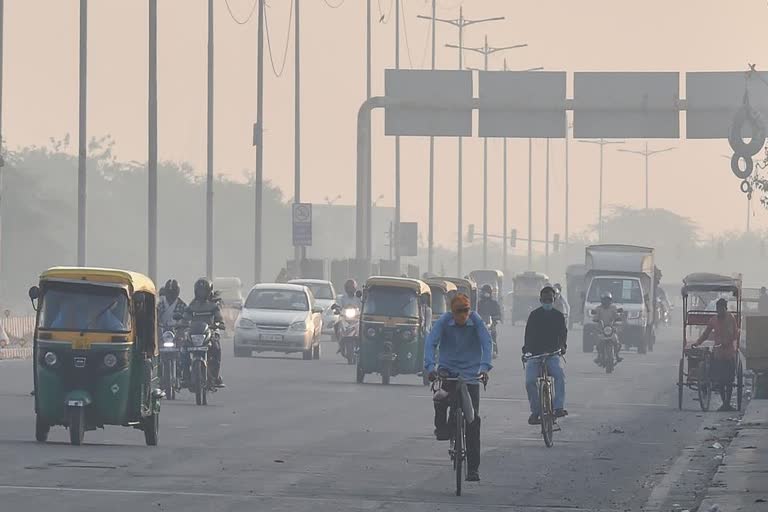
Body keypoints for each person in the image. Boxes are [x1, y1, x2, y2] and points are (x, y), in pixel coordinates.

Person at [425, 293, 492, 483]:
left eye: (466, 311)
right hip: (449, 371)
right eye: (458, 311)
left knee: (473, 421)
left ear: (469, 310)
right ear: (452, 312)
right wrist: (430, 367)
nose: (463, 315)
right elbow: (431, 343)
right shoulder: (444, 322)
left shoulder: (476, 321)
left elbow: (487, 343)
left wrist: (485, 367)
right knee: (440, 398)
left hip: (471, 375)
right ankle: (442, 429)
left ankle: (473, 469)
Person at [522, 286, 568, 425]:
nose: (547, 302)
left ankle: (558, 407)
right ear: (540, 300)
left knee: (559, 375)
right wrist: (526, 351)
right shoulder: (534, 315)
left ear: (554, 300)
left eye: (550, 300)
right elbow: (528, 335)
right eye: (545, 300)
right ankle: (535, 411)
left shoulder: (559, 316)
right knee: (530, 381)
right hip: (535, 355)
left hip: (552, 355)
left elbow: (563, 335)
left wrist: (562, 347)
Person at [691, 298, 739, 411]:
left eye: (721, 309)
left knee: (729, 381)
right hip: (718, 354)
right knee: (721, 381)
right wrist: (697, 343)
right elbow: (706, 334)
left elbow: (735, 334)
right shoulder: (713, 320)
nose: (719, 311)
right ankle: (724, 404)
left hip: (729, 353)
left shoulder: (731, 318)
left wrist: (727, 342)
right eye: (718, 309)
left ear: (725, 309)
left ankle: (727, 404)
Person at [184, 278, 226, 388]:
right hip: (194, 335)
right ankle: (185, 376)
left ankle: (215, 376)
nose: (201, 293)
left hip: (209, 334)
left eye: (203, 291)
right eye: (199, 291)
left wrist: (219, 324)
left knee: (216, 348)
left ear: (208, 291)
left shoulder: (213, 306)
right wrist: (181, 323)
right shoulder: (192, 306)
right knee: (183, 350)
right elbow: (185, 318)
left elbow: (219, 319)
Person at [592, 292, 623, 364]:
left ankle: (617, 355)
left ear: (610, 301)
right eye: (605, 300)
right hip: (601, 329)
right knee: (598, 342)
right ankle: (599, 356)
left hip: (611, 329)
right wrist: (596, 319)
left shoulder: (613, 308)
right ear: (602, 300)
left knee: (616, 341)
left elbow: (617, 316)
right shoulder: (599, 308)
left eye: (608, 300)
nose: (606, 302)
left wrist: (618, 318)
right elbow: (595, 317)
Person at [336, 279, 362, 352]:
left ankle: (362, 343)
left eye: (352, 288)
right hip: (345, 318)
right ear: (346, 289)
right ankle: (340, 343)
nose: (350, 290)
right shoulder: (342, 298)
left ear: (355, 289)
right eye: (348, 288)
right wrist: (337, 308)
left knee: (365, 327)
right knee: (337, 324)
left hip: (356, 318)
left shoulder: (358, 298)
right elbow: (338, 305)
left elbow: (363, 305)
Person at [477, 284, 502, 357]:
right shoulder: (479, 303)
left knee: (493, 334)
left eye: (486, 292)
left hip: (491, 324)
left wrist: (496, 318)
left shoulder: (494, 303)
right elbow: (476, 312)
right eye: (483, 292)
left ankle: (494, 350)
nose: (485, 293)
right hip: (481, 323)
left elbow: (498, 314)